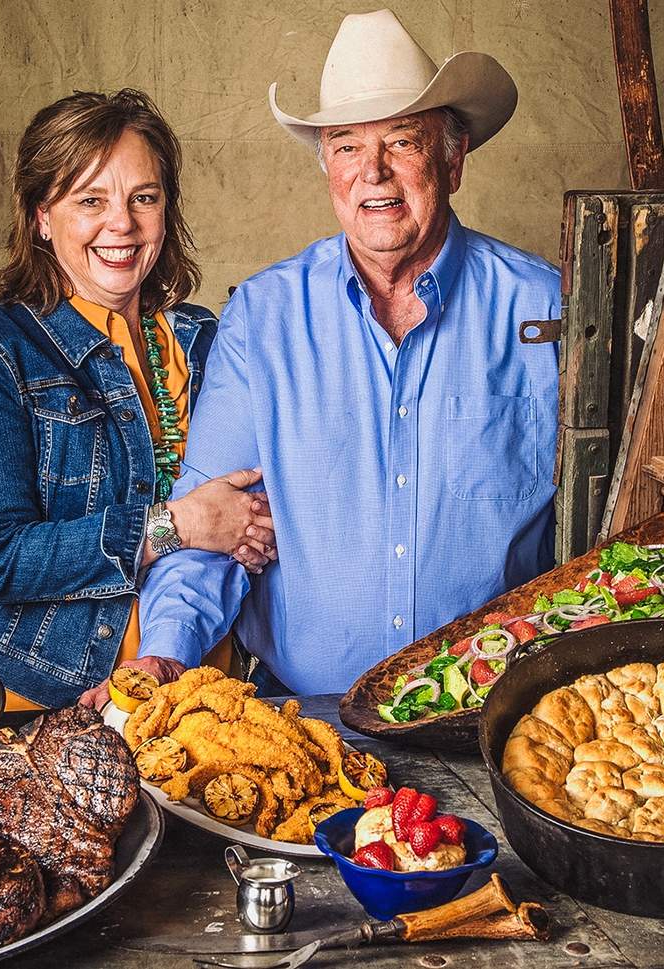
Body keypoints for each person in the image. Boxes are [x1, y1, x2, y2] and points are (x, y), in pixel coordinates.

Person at [121, 10, 561, 697]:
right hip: (304, 721)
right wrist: (166, 654)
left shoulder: (548, 311)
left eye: (401, 141)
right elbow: (215, 526)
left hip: (498, 723)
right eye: (348, 146)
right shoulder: (263, 318)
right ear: (326, 163)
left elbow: (605, 529)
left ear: (452, 159)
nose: (373, 173)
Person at [0, 89, 275, 710]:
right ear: (42, 217)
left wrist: (252, 527)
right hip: (23, 693)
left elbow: (254, 496)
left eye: (144, 198)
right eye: (90, 200)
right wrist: (179, 526)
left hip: (193, 686)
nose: (122, 224)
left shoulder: (208, 339)